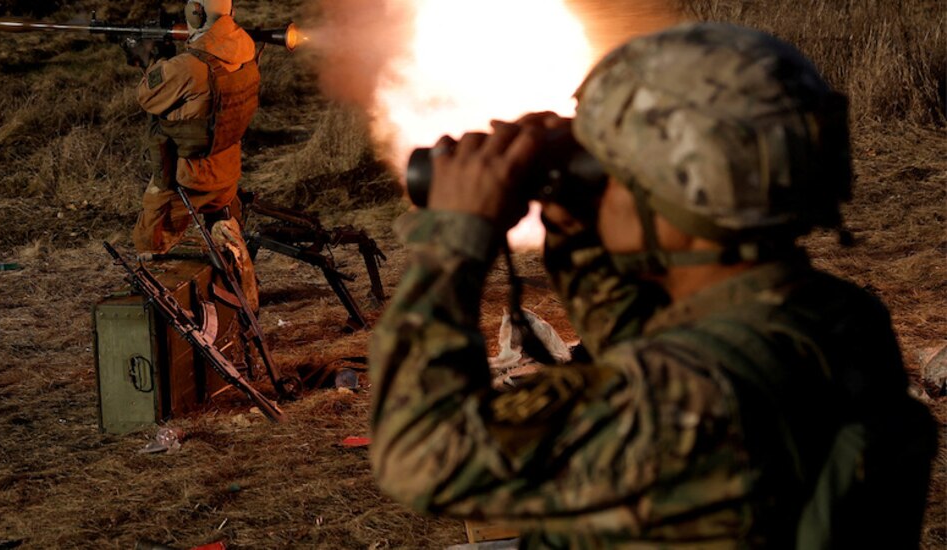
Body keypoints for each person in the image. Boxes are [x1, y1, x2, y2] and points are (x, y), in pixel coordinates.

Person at [369, 23, 936, 548]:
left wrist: (455, 239)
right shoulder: (838, 317)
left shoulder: (680, 395)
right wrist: (577, 219)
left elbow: (420, 452)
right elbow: (645, 338)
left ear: (682, 189)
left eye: (609, 171)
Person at [130, 0, 259, 310]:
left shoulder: (188, 67)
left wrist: (149, 61)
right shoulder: (245, 48)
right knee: (226, 237)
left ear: (196, 12)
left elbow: (146, 96)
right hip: (226, 170)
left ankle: (161, 315)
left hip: (189, 177)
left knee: (150, 241)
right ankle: (245, 302)